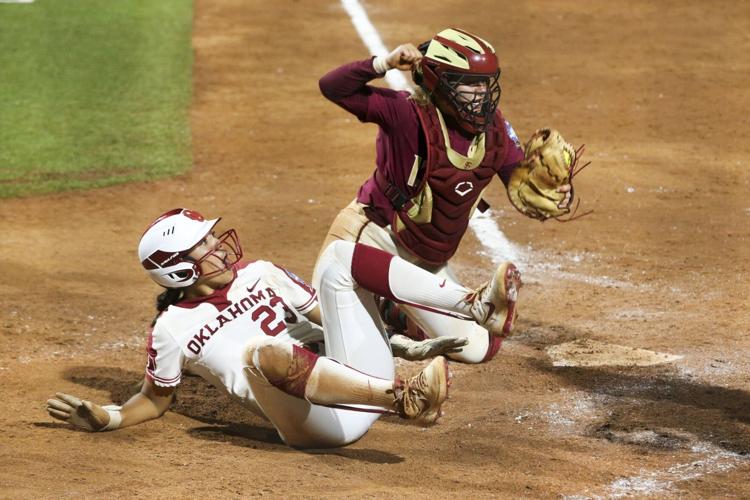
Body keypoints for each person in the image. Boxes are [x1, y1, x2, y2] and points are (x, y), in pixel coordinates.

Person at [46, 208, 512, 449]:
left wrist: (405, 346)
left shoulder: (261, 272)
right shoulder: (172, 329)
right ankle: (404, 401)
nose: (219, 245)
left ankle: (473, 305)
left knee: (337, 259)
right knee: (260, 351)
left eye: (211, 235)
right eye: (203, 244)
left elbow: (333, 322)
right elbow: (153, 398)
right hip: (319, 425)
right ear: (177, 271)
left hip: (360, 378)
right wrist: (105, 418)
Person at [315, 28, 573, 364]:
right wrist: (383, 63)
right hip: (374, 237)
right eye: (469, 83)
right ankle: (412, 307)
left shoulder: (494, 130)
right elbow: (332, 87)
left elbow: (520, 182)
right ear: (440, 82)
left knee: (478, 348)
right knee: (321, 321)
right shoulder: (406, 114)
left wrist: (555, 194)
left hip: (428, 259)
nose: (481, 93)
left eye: (485, 83)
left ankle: (395, 312)